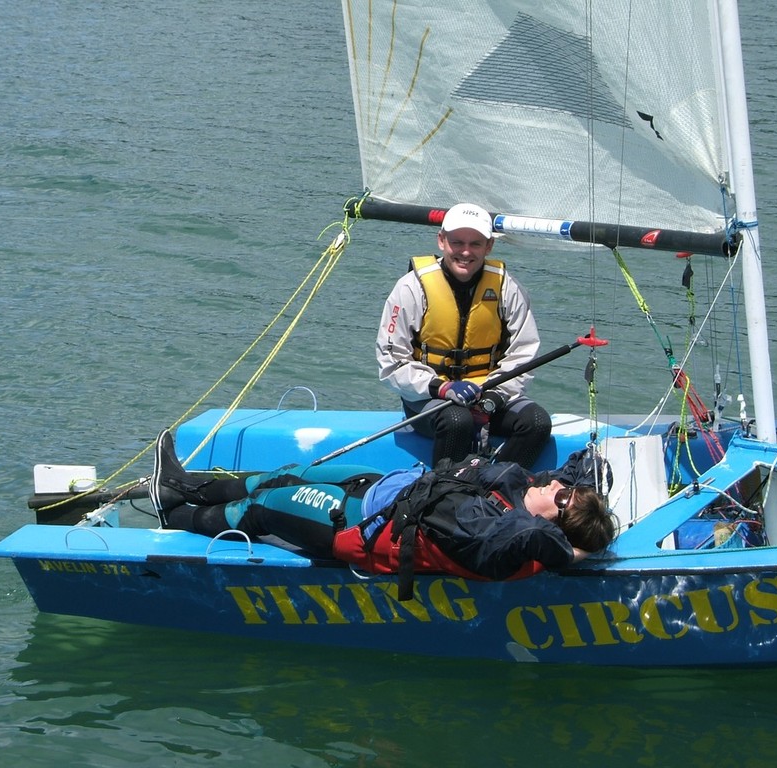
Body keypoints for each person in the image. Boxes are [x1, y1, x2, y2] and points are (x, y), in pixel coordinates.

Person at [148, 429, 615, 597]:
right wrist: (582, 485)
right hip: (385, 487)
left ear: (547, 522)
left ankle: (177, 514)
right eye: (563, 488)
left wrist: (575, 550)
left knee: (266, 507)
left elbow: (549, 548)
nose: (556, 486)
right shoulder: (522, 488)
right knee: (295, 473)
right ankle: (183, 484)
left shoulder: (502, 537)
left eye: (561, 498)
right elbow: (577, 473)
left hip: (359, 525)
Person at [376, 202, 552, 470]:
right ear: (441, 241)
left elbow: (524, 353)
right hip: (429, 397)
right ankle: (445, 496)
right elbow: (390, 361)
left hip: (490, 393)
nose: (466, 252)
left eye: (476, 244)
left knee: (537, 422)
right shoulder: (410, 288)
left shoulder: (509, 288)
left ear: (489, 246)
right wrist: (441, 387)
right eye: (457, 242)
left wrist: (495, 394)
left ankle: (494, 491)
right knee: (458, 420)